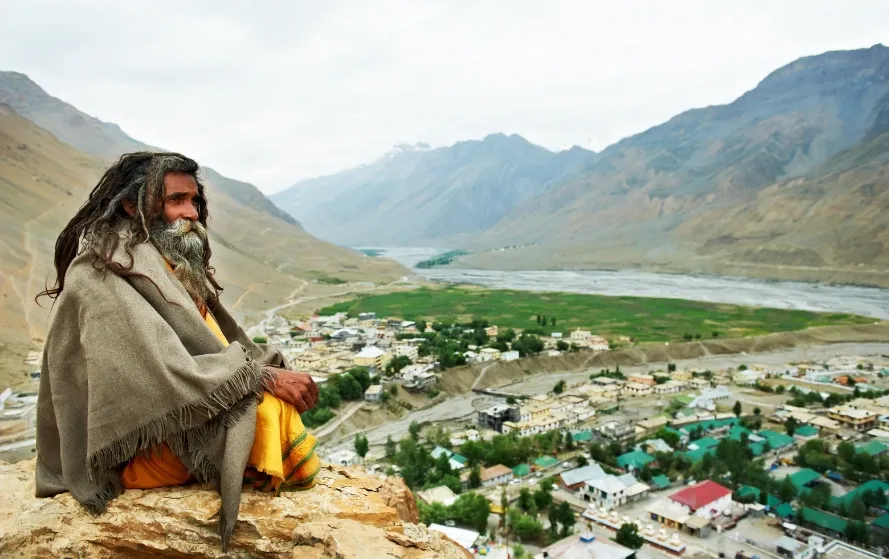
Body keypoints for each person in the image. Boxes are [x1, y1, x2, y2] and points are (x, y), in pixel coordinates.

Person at [35, 152, 321, 550]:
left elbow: (213, 345)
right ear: (134, 206)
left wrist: (258, 373)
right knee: (267, 416)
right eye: (176, 201)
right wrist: (262, 377)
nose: (190, 213)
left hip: (175, 417)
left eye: (194, 201)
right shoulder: (98, 274)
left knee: (269, 412)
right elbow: (158, 373)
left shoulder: (165, 262)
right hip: (129, 447)